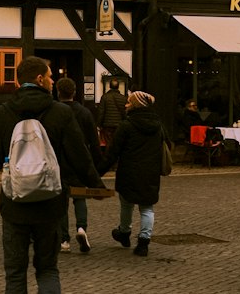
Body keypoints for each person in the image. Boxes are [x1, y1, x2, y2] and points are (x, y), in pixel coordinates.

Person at [0, 54, 104, 294]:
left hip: (14, 206)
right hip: (51, 206)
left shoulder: (4, 113)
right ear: (40, 79)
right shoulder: (61, 112)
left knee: (14, 276)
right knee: (47, 270)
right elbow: (80, 156)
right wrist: (97, 185)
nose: (53, 80)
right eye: (50, 76)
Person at [99, 90, 167, 259]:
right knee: (147, 208)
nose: (126, 105)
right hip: (150, 172)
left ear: (136, 105)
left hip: (129, 171)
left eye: (129, 102)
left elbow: (113, 152)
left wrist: (98, 172)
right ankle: (144, 242)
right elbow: (166, 144)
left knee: (127, 203)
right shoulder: (158, 125)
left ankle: (124, 231)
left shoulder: (127, 125)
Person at [56, 76, 99, 253]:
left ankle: (64, 240)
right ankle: (81, 229)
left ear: (58, 92)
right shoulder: (85, 112)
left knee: (61, 202)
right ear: (74, 92)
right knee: (80, 198)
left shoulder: (54, 112)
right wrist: (96, 164)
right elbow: (94, 140)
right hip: (80, 161)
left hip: (60, 161)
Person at [96, 75, 127, 148]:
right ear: (118, 87)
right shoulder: (123, 98)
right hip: (119, 125)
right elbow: (125, 113)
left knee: (109, 145)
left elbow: (101, 112)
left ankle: (109, 158)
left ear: (109, 86)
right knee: (118, 144)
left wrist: (98, 125)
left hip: (108, 125)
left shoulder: (105, 97)